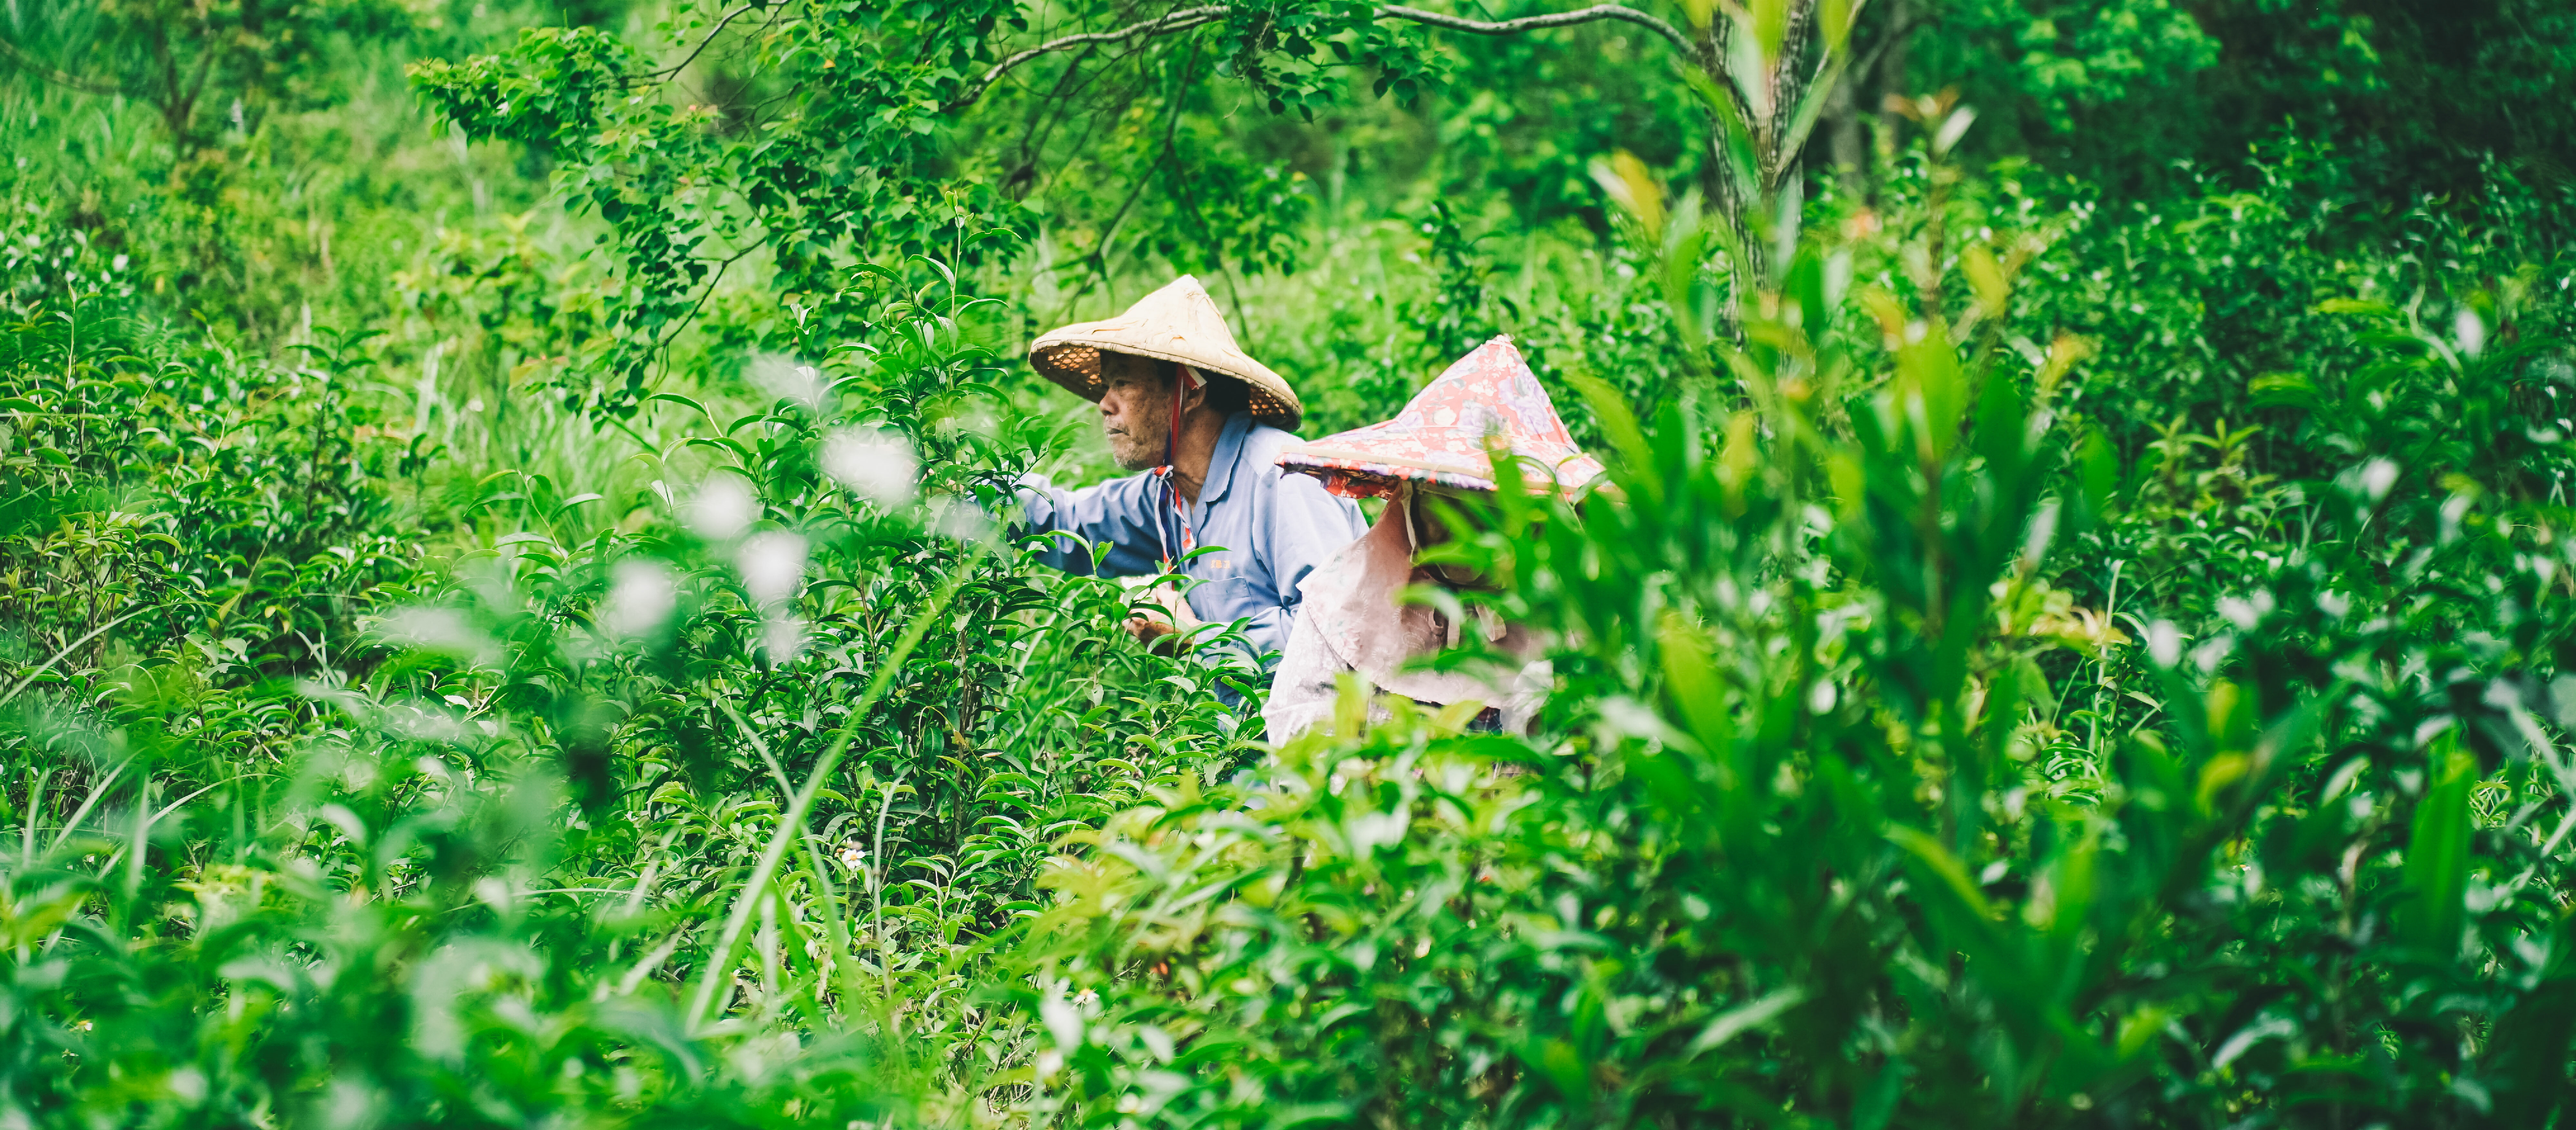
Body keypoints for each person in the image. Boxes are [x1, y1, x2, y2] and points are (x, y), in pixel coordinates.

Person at [1014, 275, 1366, 675]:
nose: (1104, 404)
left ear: (1191, 390)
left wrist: (1196, 639)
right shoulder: (1169, 493)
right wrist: (964, 490)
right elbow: (1069, 524)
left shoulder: (1284, 481)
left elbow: (1339, 636)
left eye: (1123, 382)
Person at [1263, 336, 1605, 740]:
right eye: (1454, 503)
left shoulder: (1574, 609)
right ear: (1413, 497)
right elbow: (1297, 725)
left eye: (1497, 510)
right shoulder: (1344, 596)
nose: (1474, 529)